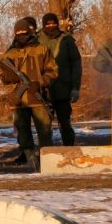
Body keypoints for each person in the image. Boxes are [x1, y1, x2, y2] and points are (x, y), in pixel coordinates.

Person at [0, 19, 58, 170]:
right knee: (23, 132)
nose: (21, 35)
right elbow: (3, 76)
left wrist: (40, 83)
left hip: (38, 98)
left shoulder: (42, 49)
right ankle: (30, 159)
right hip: (19, 101)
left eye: (24, 32)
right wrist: (9, 77)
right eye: (17, 33)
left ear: (30, 32)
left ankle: (47, 161)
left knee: (45, 131)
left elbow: (53, 72)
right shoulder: (10, 54)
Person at [37, 13, 82, 146]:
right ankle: (44, 154)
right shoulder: (36, 39)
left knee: (65, 123)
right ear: (43, 25)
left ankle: (69, 150)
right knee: (44, 126)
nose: (51, 26)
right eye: (48, 24)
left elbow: (76, 64)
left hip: (63, 89)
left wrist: (75, 88)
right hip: (42, 90)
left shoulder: (67, 39)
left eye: (53, 23)